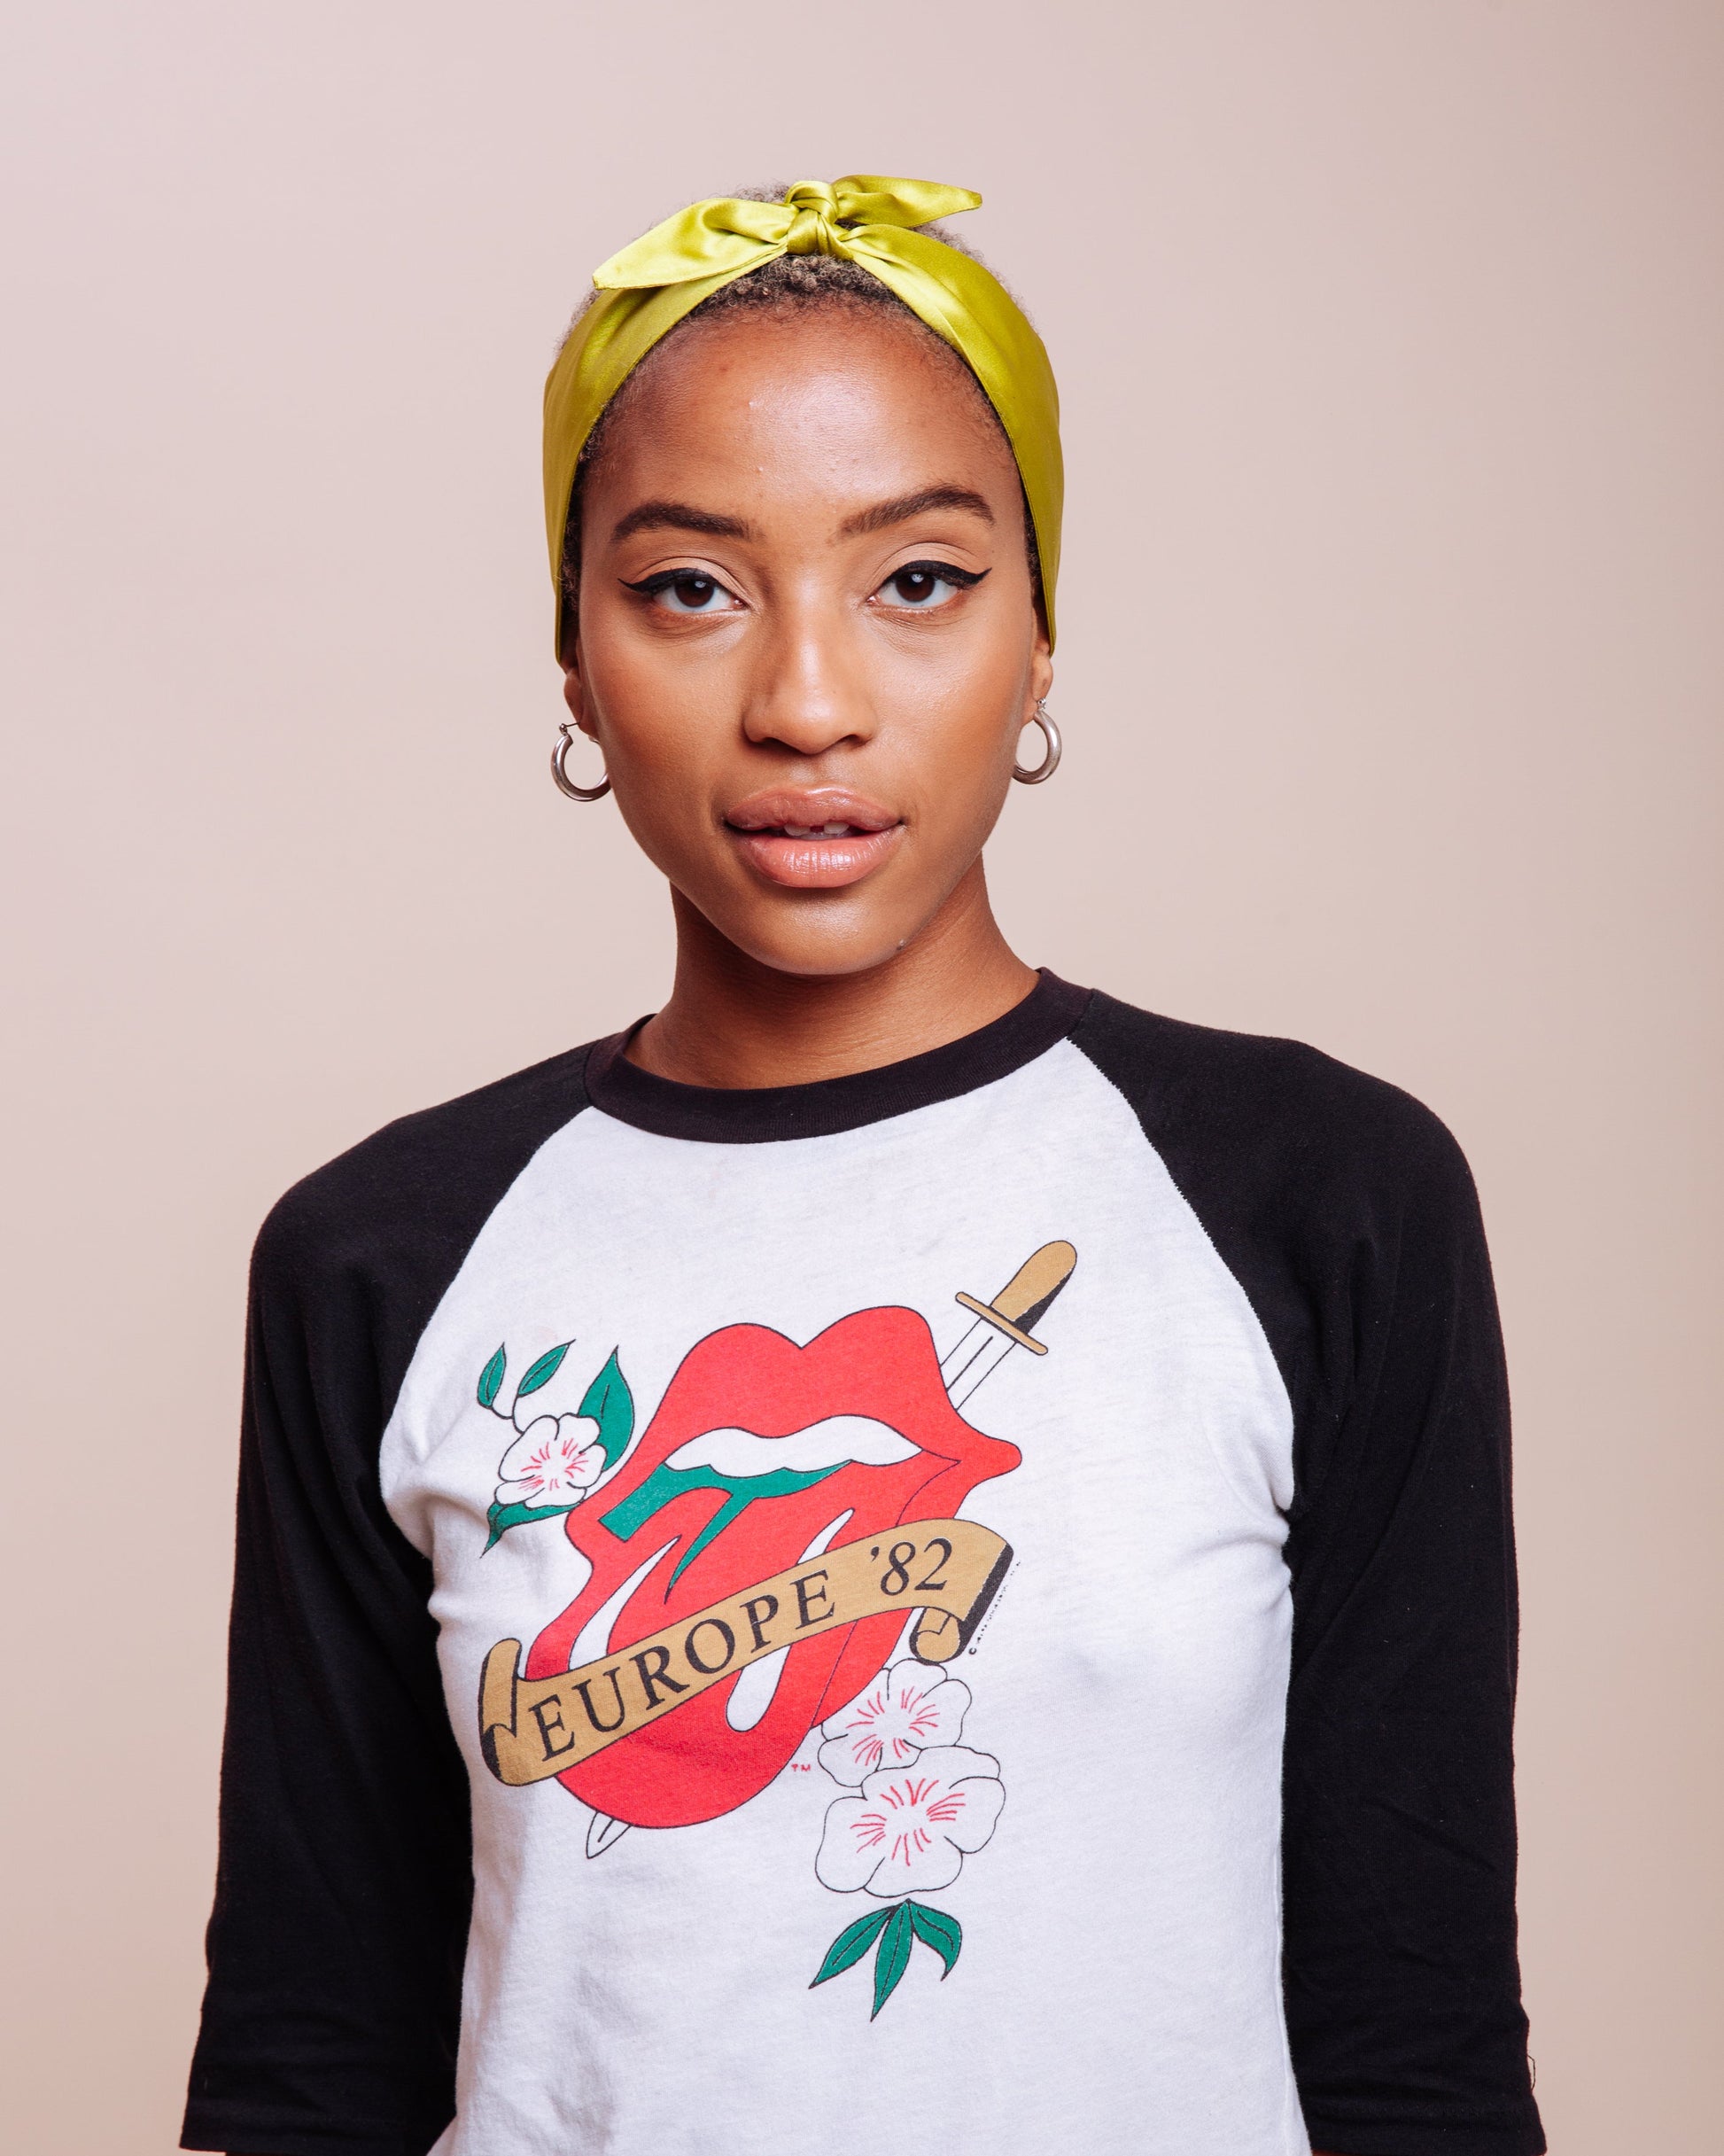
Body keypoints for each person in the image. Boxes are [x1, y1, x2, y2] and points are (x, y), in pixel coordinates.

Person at [181, 176, 1543, 2156]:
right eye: (689, 588)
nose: (806, 703)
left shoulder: (1320, 1199)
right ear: (574, 660)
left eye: (915, 579)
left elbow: (1413, 2043)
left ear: (1039, 637)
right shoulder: (380, 1256)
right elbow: (315, 2067)